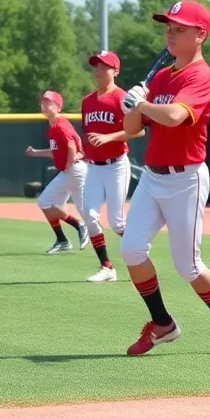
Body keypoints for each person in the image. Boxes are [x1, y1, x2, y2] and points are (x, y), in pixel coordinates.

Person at [118, 0, 210, 357]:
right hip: (153, 178)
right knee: (130, 249)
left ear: (201, 35)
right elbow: (133, 129)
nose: (170, 33)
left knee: (187, 266)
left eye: (179, 28)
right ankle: (162, 324)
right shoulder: (160, 77)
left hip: (186, 179)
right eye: (168, 27)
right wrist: (132, 104)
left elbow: (173, 116)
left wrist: (141, 105)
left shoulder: (200, 76)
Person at [80, 50, 140, 283]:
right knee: (90, 215)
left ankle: (139, 253)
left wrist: (109, 138)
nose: (98, 70)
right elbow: (89, 134)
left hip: (116, 165)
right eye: (96, 66)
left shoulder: (123, 98)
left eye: (104, 66)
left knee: (117, 223)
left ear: (115, 71)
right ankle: (107, 267)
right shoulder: (87, 101)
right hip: (93, 167)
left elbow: (138, 130)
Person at [26, 91, 89, 254]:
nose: (44, 105)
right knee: (60, 208)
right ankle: (63, 239)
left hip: (73, 170)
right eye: (43, 102)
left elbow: (71, 147)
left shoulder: (59, 125)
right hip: (75, 170)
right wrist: (36, 153)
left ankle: (77, 227)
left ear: (58, 107)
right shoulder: (54, 126)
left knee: (44, 202)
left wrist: (68, 166)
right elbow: (57, 151)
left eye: (49, 103)